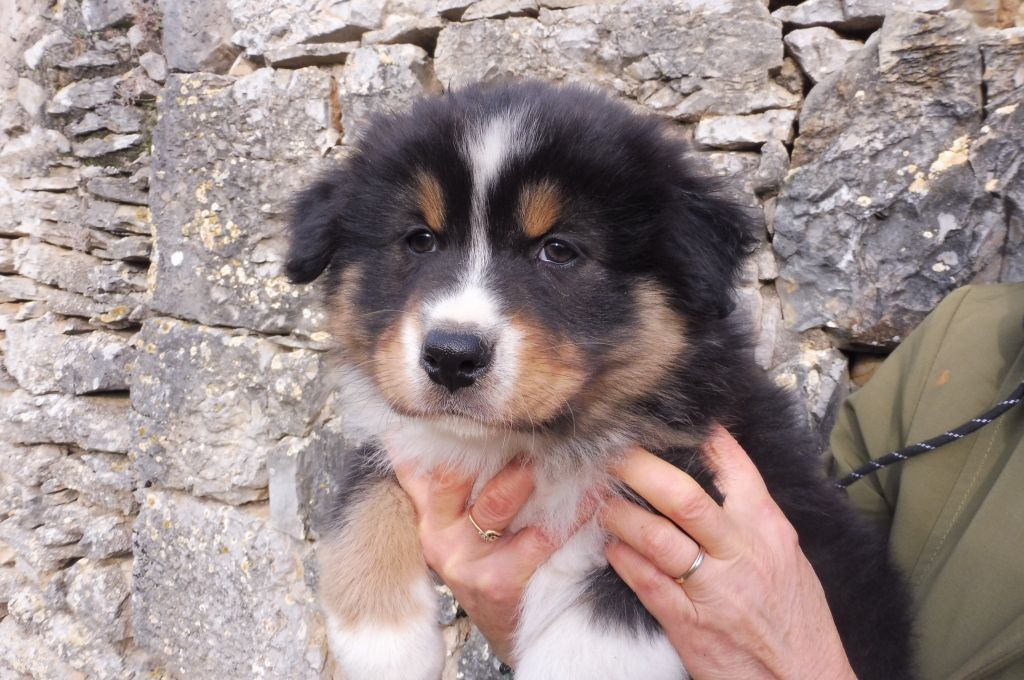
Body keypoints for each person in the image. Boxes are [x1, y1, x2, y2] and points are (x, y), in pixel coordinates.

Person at [393, 283, 1024, 679]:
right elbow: (809, 552)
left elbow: (800, 622)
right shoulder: (966, 343)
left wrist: (798, 666)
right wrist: (531, 616)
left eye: (559, 252)